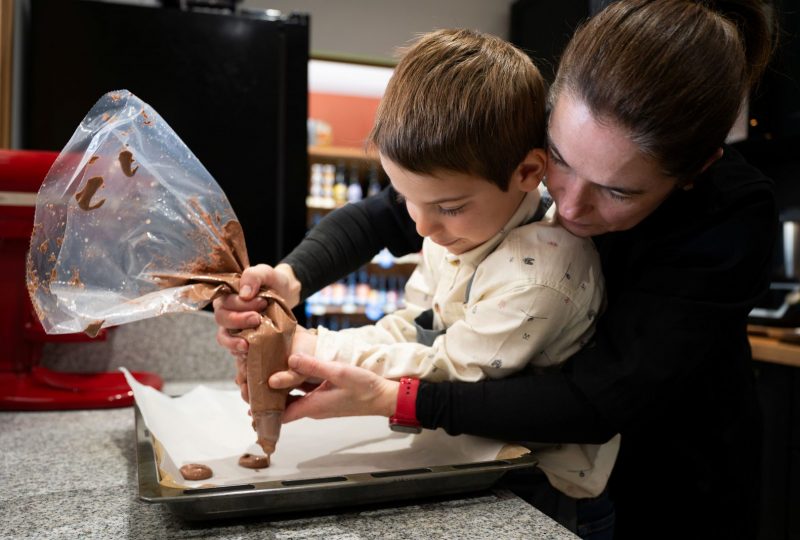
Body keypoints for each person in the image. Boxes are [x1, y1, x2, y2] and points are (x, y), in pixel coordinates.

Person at [215, 1, 778, 538]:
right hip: (533, 450)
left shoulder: (729, 215)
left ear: (694, 171)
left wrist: (388, 391)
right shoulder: (544, 131)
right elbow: (397, 209)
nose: (570, 206)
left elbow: (598, 399)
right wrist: (290, 278)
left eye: (616, 191)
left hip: (671, 472)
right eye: (560, 159)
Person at [283, 28, 615, 502]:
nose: (422, 228)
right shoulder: (458, 231)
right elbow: (421, 328)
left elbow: (451, 372)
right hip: (466, 457)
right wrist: (320, 352)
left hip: (535, 487)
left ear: (527, 172)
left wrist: (324, 351)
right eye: (406, 199)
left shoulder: (539, 272)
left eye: (449, 206)